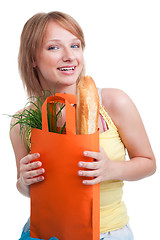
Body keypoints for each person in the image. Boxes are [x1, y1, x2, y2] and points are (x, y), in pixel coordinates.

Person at [10, 11, 156, 240]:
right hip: (43, 231)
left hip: (105, 232)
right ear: (32, 59)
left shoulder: (112, 102)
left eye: (75, 45)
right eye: (54, 47)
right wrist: (24, 181)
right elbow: (26, 189)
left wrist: (111, 169)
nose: (70, 56)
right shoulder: (22, 122)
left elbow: (148, 163)